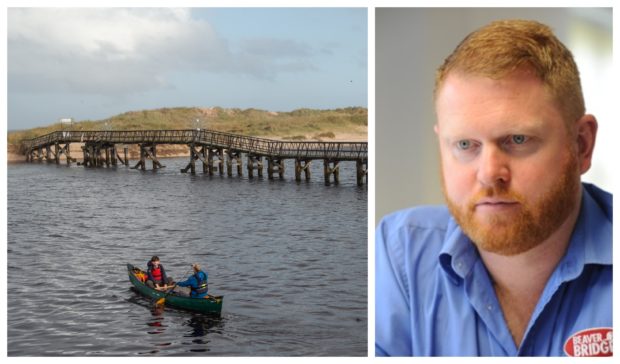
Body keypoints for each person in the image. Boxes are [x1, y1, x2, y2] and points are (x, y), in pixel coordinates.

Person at [375, 19, 612, 357]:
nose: (488, 174)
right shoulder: (401, 255)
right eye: (465, 144)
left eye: (517, 140)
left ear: (582, 145)